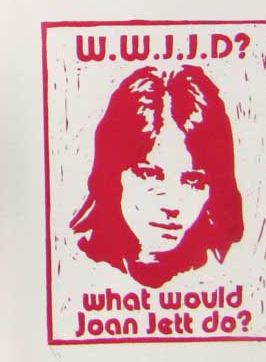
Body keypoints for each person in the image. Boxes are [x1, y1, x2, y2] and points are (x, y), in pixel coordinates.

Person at [70, 65, 244, 288]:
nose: (172, 205)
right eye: (149, 174)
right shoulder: (80, 267)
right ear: (111, 174)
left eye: (194, 182)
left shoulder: (221, 273)